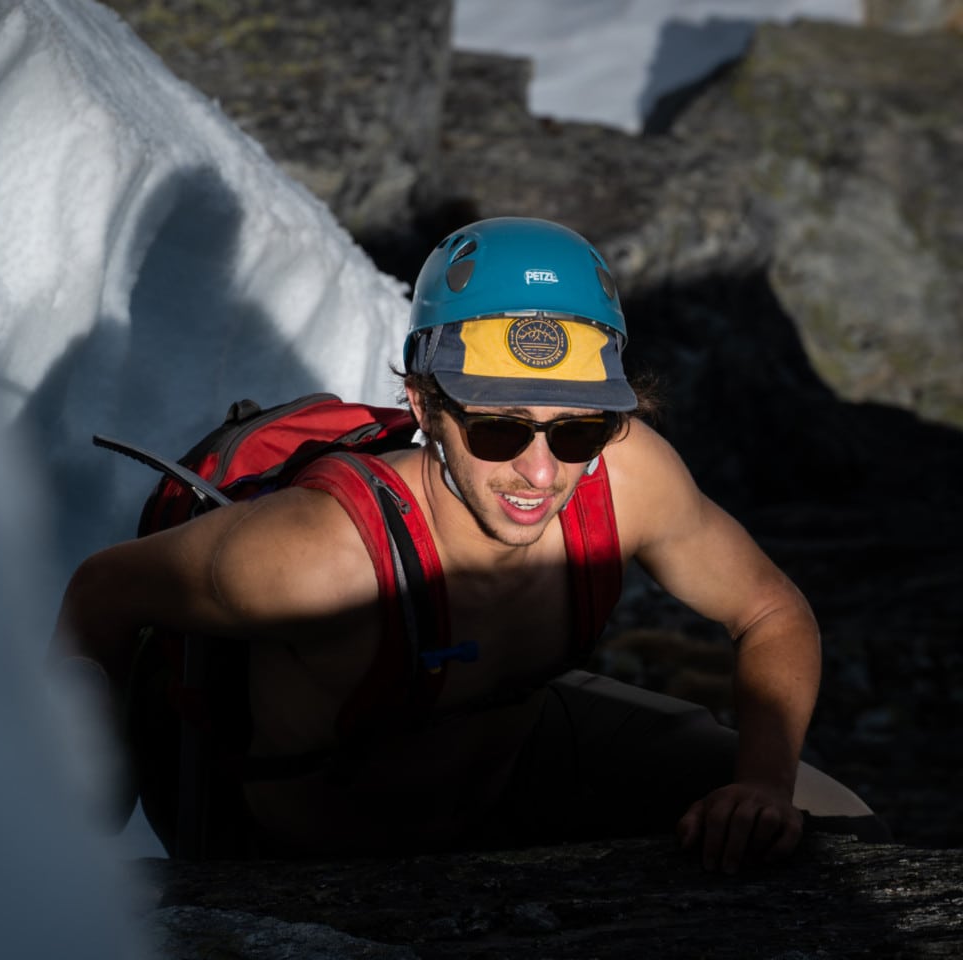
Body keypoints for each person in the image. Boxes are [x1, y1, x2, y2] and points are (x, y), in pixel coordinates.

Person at [54, 217, 884, 872]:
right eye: (495, 428)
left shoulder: (624, 481)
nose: (540, 471)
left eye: (579, 428)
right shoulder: (317, 557)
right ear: (423, 406)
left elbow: (769, 608)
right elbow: (105, 591)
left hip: (512, 767)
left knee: (837, 829)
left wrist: (763, 785)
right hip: (319, 852)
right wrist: (91, 784)